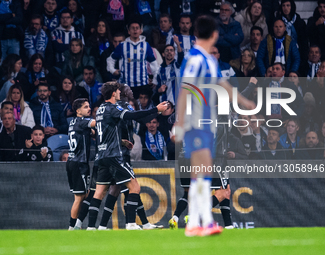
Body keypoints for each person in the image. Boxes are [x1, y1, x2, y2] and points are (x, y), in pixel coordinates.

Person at [175, 15, 254, 237]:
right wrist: (180, 123)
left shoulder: (209, 60)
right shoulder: (194, 59)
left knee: (202, 176)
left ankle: (197, 224)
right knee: (201, 174)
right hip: (195, 124)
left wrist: (244, 102)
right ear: (215, 35)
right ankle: (202, 223)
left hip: (208, 126)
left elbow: (222, 84)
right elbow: (185, 90)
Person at [86, 81, 168, 230]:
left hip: (103, 155)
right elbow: (133, 116)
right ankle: (131, 223)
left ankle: (94, 227)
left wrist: (121, 141)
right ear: (114, 93)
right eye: (119, 90)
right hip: (116, 155)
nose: (121, 91)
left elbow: (105, 131)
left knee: (101, 192)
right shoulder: (116, 106)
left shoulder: (100, 109)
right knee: (134, 187)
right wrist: (156, 109)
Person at [107, 19, 159, 98]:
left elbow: (154, 63)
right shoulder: (122, 45)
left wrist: (155, 78)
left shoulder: (146, 45)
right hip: (126, 84)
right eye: (133, 28)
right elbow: (110, 59)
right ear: (129, 31)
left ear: (140, 31)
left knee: (142, 108)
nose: (135, 30)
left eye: (137, 28)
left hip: (143, 84)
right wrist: (112, 70)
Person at [66, 98, 96, 230]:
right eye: (85, 107)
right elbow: (96, 123)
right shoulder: (83, 122)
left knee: (82, 195)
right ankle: (72, 227)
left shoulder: (73, 122)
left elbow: (90, 132)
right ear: (78, 111)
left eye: (89, 106)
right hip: (80, 163)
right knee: (80, 198)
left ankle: (76, 225)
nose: (89, 109)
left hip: (72, 161)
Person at [276, 0, 308, 69]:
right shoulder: (277, 21)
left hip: (297, 51)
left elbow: (304, 42)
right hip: (281, 51)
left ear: (292, 7)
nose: (285, 8)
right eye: (283, 6)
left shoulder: (300, 22)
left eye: (288, 5)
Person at [0, 0, 23, 64]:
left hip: (15, 39)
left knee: (15, 64)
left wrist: (3, 20)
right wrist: (11, 15)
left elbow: (19, 19)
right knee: (1, 64)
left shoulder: (16, 2)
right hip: (1, 40)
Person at [156, 41, 183, 105]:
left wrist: (178, 44)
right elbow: (157, 88)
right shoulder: (159, 70)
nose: (169, 52)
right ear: (163, 54)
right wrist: (159, 89)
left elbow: (181, 55)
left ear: (174, 53)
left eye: (171, 50)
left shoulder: (177, 65)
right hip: (166, 104)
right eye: (167, 50)